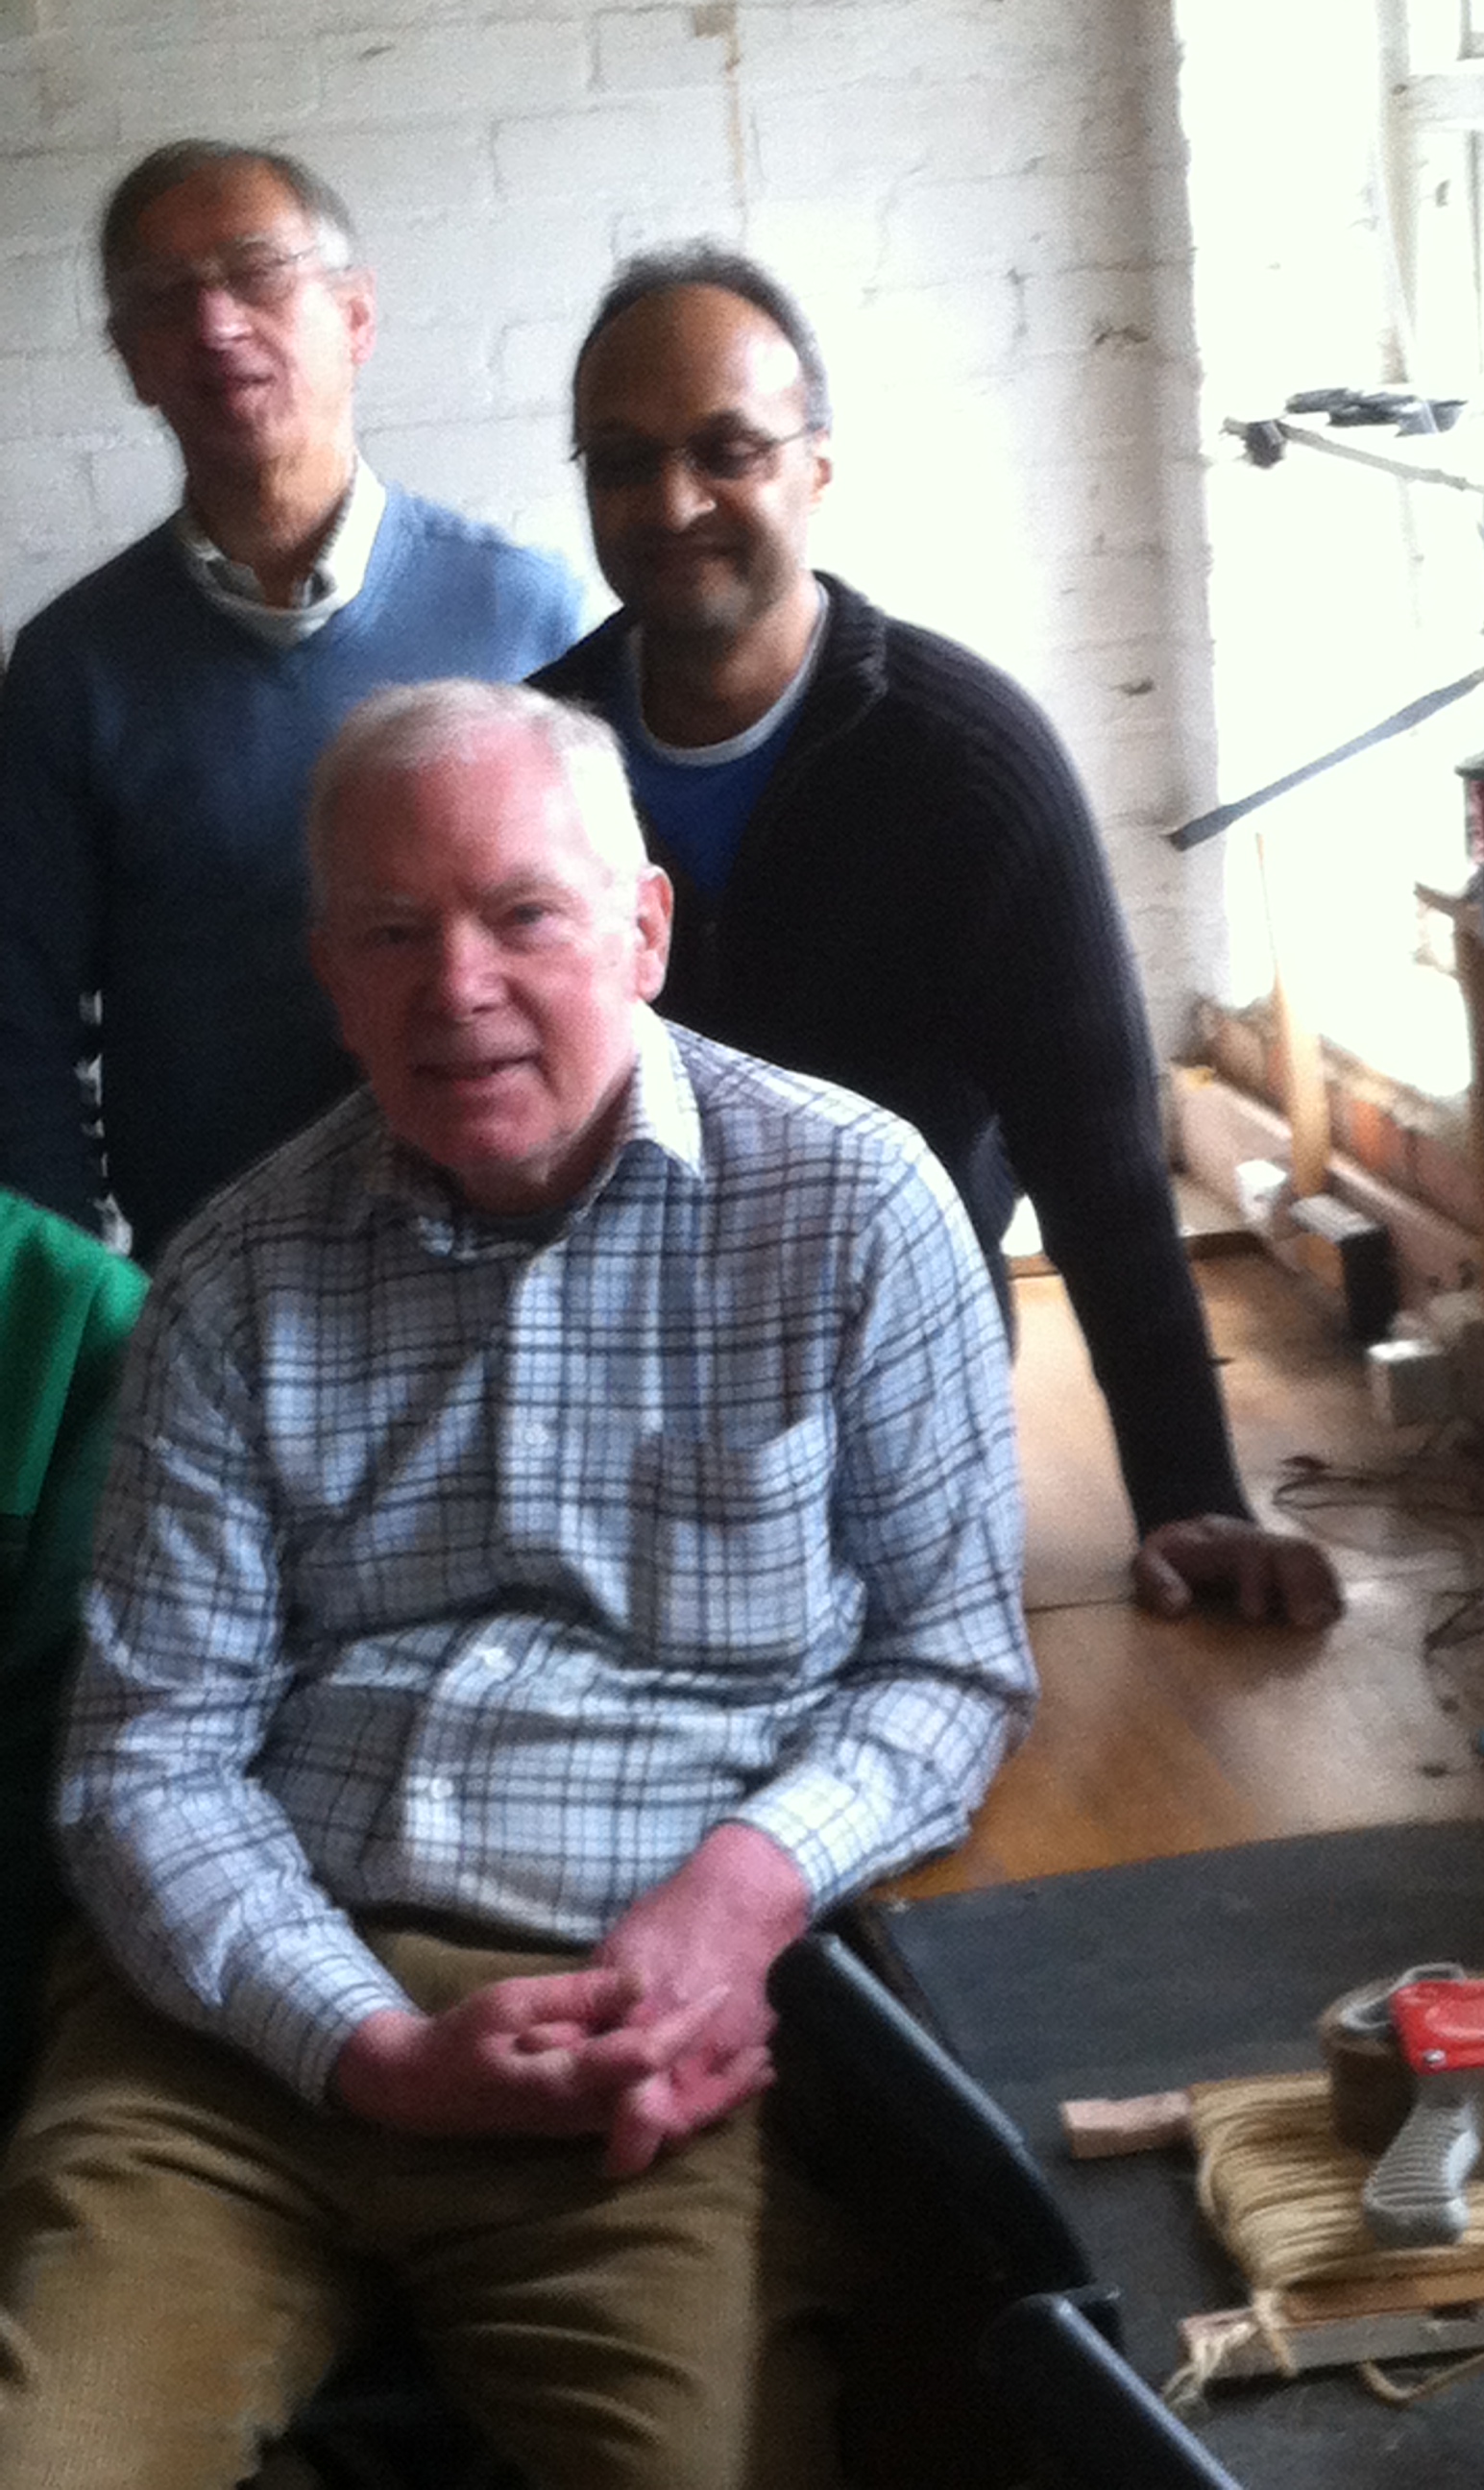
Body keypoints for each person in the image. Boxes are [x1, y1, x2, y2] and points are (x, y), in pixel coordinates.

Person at [0, 680, 1035, 2489]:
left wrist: (743, 1893)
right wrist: (373, 2047)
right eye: (392, 933)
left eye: (521, 915)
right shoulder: (232, 1276)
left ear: (644, 930)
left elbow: (950, 1661)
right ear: (330, 978)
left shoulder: (856, 1209)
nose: (456, 986)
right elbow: (143, 1759)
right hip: (233, 2039)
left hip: (639, 2036)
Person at [534, 245, 1343, 1630]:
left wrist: (1187, 1491)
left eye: (727, 450)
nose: (672, 503)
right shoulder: (533, 769)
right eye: (623, 462)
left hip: (888, 1397)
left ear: (817, 468)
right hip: (599, 1413)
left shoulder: (965, 766)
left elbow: (1097, 1161)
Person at [0, 140, 585, 1265]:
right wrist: (83, 1302)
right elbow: (19, 1029)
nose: (215, 325)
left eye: (257, 273)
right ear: (132, 361)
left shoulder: (526, 615)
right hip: (217, 1283)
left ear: (356, 317)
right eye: (165, 299)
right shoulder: (74, 669)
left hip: (518, 1260)